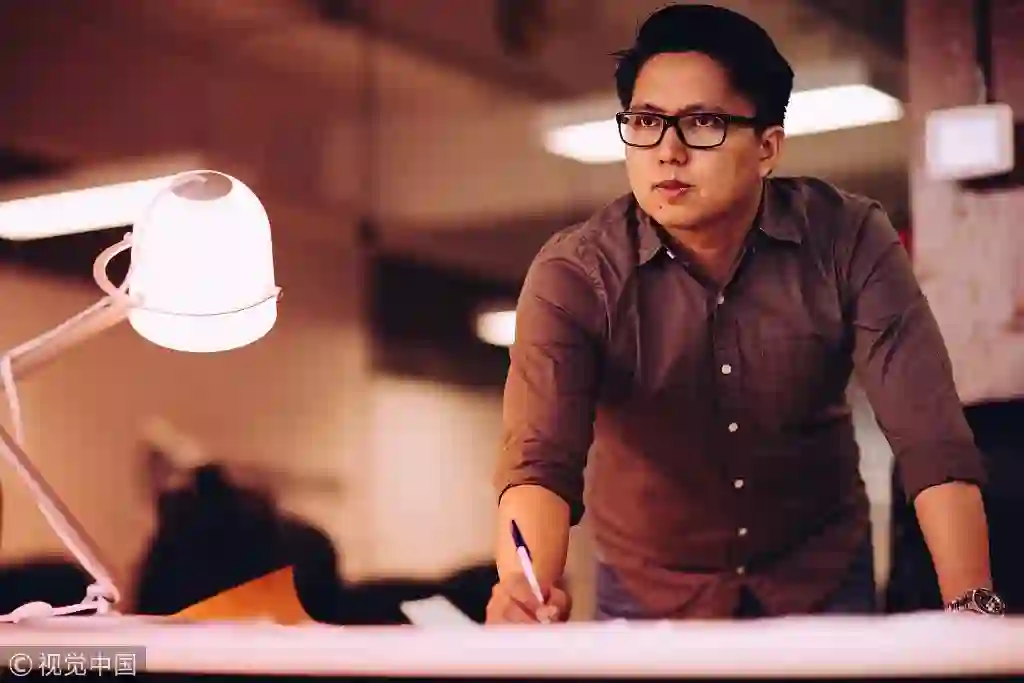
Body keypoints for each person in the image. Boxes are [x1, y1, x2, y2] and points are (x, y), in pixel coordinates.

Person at [486, 3, 1000, 623]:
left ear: (767, 148)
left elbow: (929, 436)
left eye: (702, 122)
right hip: (652, 584)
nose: (668, 151)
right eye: (646, 121)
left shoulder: (848, 239)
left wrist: (972, 606)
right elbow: (541, 457)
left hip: (819, 574)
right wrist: (527, 589)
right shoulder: (575, 274)